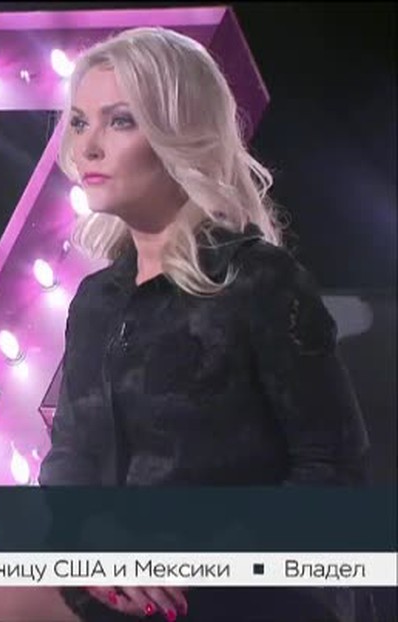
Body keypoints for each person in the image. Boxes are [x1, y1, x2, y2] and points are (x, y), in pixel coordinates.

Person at [32, 27, 371, 622]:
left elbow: (331, 470)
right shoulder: (95, 301)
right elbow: (70, 456)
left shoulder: (257, 280)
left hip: (238, 584)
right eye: (80, 123)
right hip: (119, 573)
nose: (87, 147)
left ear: (179, 134)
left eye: (120, 121)